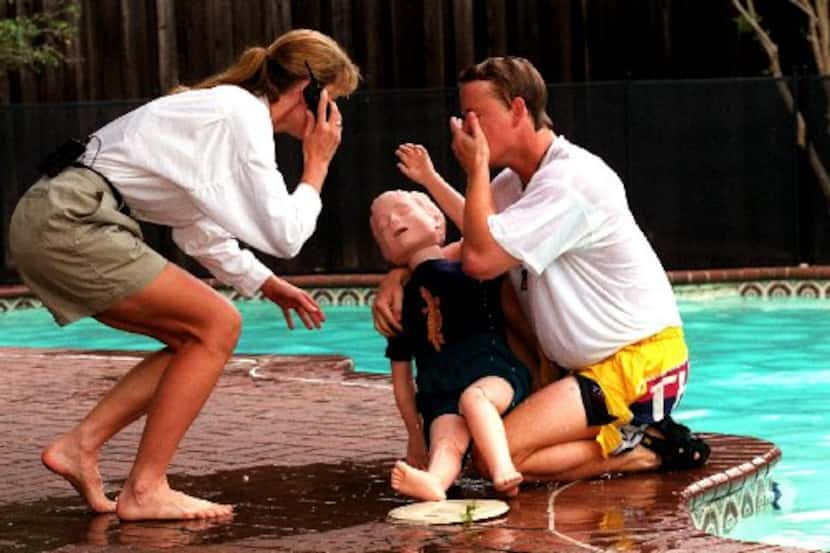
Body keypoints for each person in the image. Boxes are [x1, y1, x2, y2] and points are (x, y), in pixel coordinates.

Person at [8, 29, 360, 520]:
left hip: (56, 216)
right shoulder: (240, 116)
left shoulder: (224, 113)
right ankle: (146, 488)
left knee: (192, 336)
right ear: (310, 92)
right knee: (218, 325)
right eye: (335, 101)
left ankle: (78, 447)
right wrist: (316, 165)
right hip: (72, 220)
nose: (336, 117)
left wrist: (263, 282)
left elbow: (197, 230)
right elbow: (287, 236)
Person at [373, 56, 708, 486]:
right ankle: (628, 438)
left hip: (640, 364)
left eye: (477, 116)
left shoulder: (570, 181)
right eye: (463, 116)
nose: (466, 128)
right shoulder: (512, 184)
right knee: (487, 451)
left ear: (517, 110)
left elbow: (480, 260)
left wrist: (474, 169)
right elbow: (464, 245)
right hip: (584, 371)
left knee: (502, 457)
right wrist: (399, 277)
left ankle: (643, 451)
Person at [370, 188, 531, 501]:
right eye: (380, 228)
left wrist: (429, 178)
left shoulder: (472, 267)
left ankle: (503, 469)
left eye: (403, 210)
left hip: (495, 373)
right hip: (441, 392)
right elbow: (401, 380)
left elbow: (483, 236)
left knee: (474, 400)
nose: (391, 221)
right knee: (445, 440)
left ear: (436, 221)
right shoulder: (397, 304)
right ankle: (434, 482)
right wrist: (415, 438)